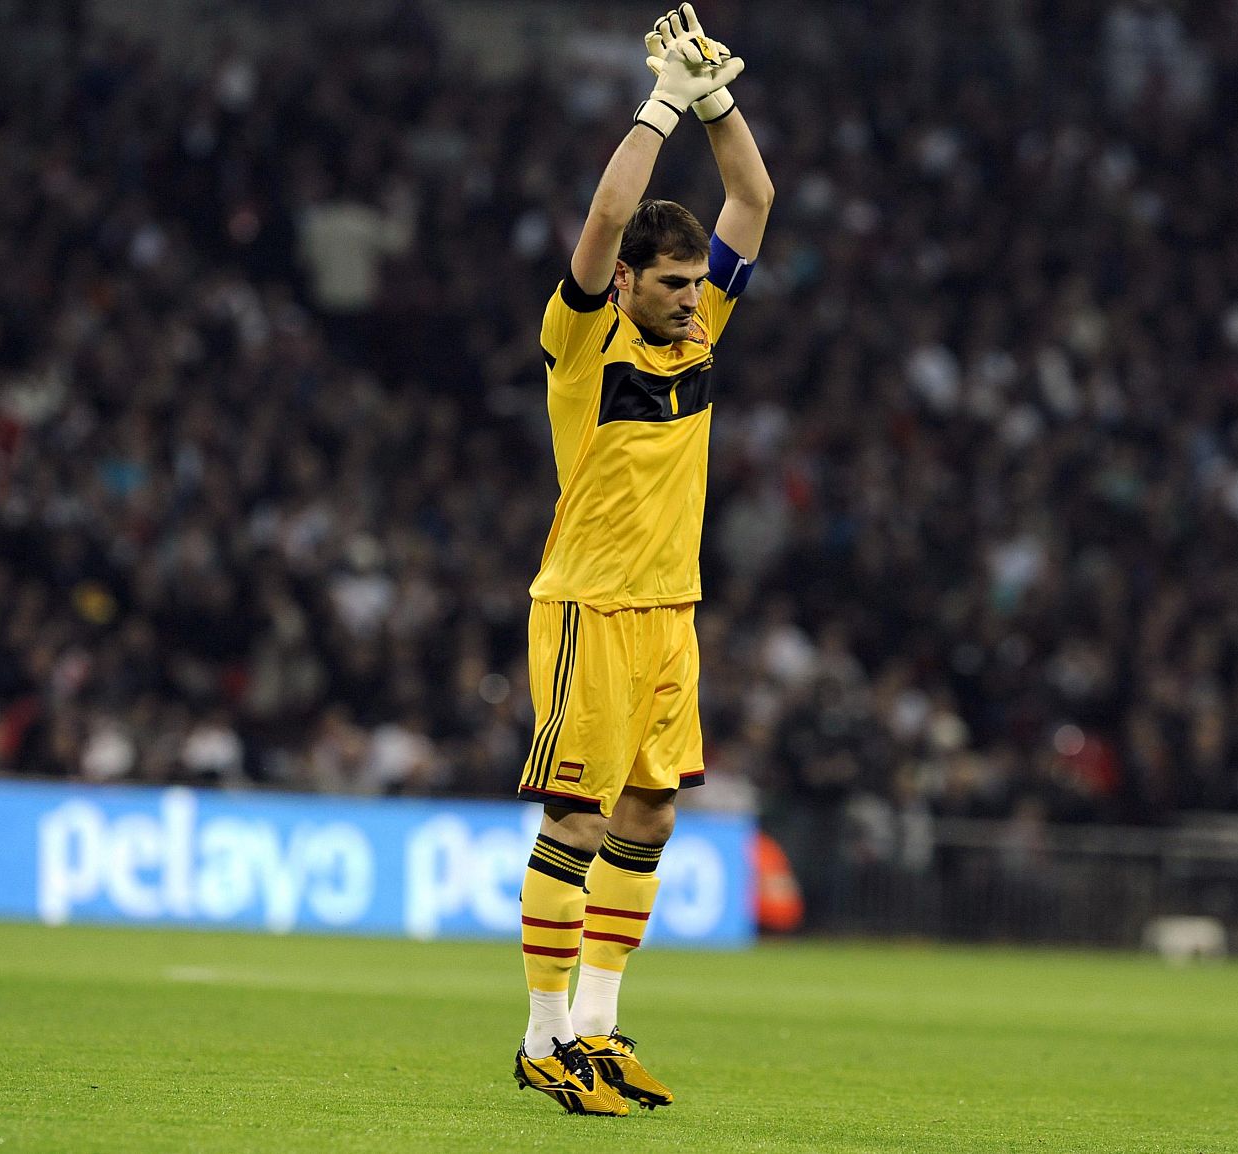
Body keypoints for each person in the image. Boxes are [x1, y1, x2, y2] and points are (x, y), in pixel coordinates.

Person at [510, 5, 774, 1118]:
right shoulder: (583, 340)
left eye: (690, 283)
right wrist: (661, 99)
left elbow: (753, 202)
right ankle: (540, 1036)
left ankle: (600, 1027)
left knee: (650, 816)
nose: (686, 297)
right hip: (586, 608)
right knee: (572, 821)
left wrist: (718, 103)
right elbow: (610, 210)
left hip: (671, 612)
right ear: (626, 283)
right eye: (668, 284)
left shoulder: (701, 331)